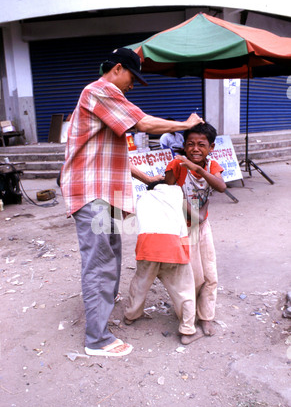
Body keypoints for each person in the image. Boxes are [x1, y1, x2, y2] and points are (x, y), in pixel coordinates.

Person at [61, 47, 203, 357]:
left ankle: (101, 313)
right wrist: (184, 125)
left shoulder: (104, 105)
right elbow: (143, 123)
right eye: (132, 77)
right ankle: (96, 340)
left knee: (110, 257)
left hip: (104, 193)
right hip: (93, 194)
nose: (132, 85)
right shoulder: (98, 91)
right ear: (118, 69)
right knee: (99, 263)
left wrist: (148, 180)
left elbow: (109, 157)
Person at [165, 122, 226, 337]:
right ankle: (187, 318)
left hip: (202, 225)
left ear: (211, 147)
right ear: (183, 146)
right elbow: (167, 192)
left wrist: (198, 169)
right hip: (183, 229)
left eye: (201, 144)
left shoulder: (212, 166)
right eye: (190, 144)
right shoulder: (176, 165)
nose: (195, 149)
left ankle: (206, 317)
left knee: (211, 275)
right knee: (193, 277)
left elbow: (221, 186)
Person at [124, 181, 201, 345]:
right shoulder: (177, 194)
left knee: (140, 284)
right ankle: (188, 330)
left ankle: (131, 315)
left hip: (147, 247)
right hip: (173, 247)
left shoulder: (142, 198)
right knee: (184, 289)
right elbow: (194, 218)